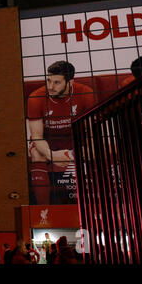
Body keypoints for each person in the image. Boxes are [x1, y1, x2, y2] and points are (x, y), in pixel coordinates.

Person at [27, 60, 95, 204]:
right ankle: (43, 209)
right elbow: (37, 137)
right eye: (48, 81)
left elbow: (92, 131)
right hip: (48, 143)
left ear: (70, 82)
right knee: (36, 153)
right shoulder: (35, 98)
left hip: (76, 140)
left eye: (57, 82)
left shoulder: (85, 93)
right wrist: (52, 155)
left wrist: (77, 152)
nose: (50, 86)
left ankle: (87, 206)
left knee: (95, 149)